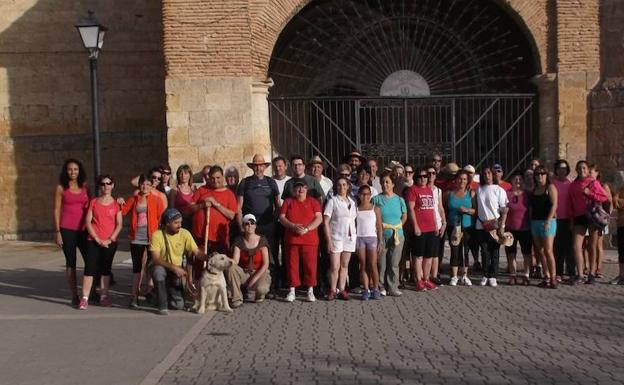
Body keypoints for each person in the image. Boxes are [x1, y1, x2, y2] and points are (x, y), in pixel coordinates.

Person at [236, 154, 281, 291]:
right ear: (252, 167)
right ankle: (249, 284)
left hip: (268, 225)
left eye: (261, 165)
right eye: (256, 165)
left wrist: (274, 220)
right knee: (250, 254)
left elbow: (278, 204)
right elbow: (238, 207)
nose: (258, 168)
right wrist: (241, 226)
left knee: (271, 255)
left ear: (265, 167)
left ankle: (273, 286)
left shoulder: (271, 182)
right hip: (250, 226)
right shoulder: (245, 182)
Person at [150, 208, 206, 315]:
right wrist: (174, 268)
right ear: (167, 223)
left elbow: (197, 252)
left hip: (176, 272)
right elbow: (155, 259)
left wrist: (209, 257)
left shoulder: (185, 233)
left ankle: (165, 293)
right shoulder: (157, 235)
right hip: (163, 266)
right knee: (158, 272)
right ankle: (162, 305)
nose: (179, 225)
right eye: (176, 223)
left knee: (178, 305)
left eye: (180, 222)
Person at [121, 174, 166, 308]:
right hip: (137, 238)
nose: (144, 186)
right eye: (142, 184)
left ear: (151, 186)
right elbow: (123, 211)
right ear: (139, 185)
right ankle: (134, 296)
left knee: (153, 266)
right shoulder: (135, 198)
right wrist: (119, 200)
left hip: (152, 237)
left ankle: (152, 293)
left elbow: (161, 218)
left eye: (147, 184)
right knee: (137, 269)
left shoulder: (157, 200)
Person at [79, 174, 123, 309]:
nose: (106, 186)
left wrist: (110, 239)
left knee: (106, 270)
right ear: (99, 186)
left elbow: (119, 224)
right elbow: (88, 221)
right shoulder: (93, 202)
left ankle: (104, 296)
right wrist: (97, 239)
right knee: (89, 269)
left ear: (113, 185)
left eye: (108, 183)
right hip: (93, 240)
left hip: (110, 242)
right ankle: (84, 298)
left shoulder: (117, 204)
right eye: (103, 184)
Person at [279, 180, 323, 302]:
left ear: (307, 189)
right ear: (294, 190)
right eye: (298, 188)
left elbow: (319, 218)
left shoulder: (313, 202)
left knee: (310, 266)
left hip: (310, 239)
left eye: (303, 187)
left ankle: (310, 290)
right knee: (292, 265)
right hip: (292, 239)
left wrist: (308, 229)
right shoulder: (288, 201)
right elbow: (282, 217)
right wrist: (292, 226)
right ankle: (292, 290)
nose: (301, 190)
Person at [53, 159, 89, 306]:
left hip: (84, 229)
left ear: (79, 170)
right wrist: (57, 231)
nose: (73, 172)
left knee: (90, 260)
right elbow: (56, 209)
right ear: (65, 171)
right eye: (70, 169)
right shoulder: (61, 188)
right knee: (71, 262)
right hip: (67, 229)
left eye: (75, 169)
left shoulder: (85, 186)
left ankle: (89, 292)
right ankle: (74, 295)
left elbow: (91, 206)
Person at [570, 160, 608, 284]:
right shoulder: (573, 184)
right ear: (576, 170)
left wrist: (590, 194)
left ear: (587, 170)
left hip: (592, 215)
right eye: (579, 168)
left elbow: (604, 197)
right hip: (579, 216)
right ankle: (580, 274)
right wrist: (571, 219)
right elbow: (571, 202)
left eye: (584, 168)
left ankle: (591, 273)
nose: (582, 170)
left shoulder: (593, 182)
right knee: (576, 246)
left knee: (592, 245)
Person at [188, 166, 238, 255]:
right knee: (199, 264)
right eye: (213, 178)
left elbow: (231, 215)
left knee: (218, 264)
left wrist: (216, 204)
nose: (215, 181)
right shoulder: (202, 190)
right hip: (200, 236)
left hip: (218, 238)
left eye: (218, 178)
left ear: (223, 177)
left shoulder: (229, 194)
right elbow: (190, 209)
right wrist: (202, 205)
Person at [372, 173, 407, 296]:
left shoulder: (399, 200)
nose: (384, 184)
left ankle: (393, 286)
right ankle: (381, 286)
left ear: (393, 184)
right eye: (383, 182)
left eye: (387, 182)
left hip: (397, 235)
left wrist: (399, 226)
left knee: (394, 262)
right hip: (381, 235)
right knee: (381, 262)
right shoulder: (376, 199)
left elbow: (404, 215)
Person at [226, 214, 271, 308]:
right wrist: (225, 259)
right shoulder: (238, 240)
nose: (249, 225)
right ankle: (236, 298)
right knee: (231, 268)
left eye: (252, 223)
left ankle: (259, 293)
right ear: (243, 226)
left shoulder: (262, 240)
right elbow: (235, 260)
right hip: (245, 272)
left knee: (261, 289)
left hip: (259, 272)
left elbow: (265, 264)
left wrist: (253, 280)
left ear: (255, 226)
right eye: (247, 223)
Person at [323, 177, 357, 300]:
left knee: (344, 265)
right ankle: (332, 289)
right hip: (336, 237)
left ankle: (342, 289)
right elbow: (326, 222)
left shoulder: (352, 202)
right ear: (336, 187)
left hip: (350, 238)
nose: (341, 187)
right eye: (339, 185)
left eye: (344, 185)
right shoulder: (332, 201)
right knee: (334, 266)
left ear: (348, 186)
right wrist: (328, 240)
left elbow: (353, 220)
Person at [475, 165, 509, 287]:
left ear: (493, 174)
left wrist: (502, 226)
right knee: (484, 251)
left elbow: (504, 209)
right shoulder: (479, 189)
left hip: (494, 224)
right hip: (481, 225)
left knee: (494, 250)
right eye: (485, 173)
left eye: (489, 173)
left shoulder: (499, 190)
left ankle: (493, 275)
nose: (487, 175)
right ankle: (485, 274)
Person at [406, 167, 439, 291]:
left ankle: (426, 279)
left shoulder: (430, 190)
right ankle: (418, 280)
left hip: (431, 227)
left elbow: (432, 209)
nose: (423, 178)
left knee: (429, 256)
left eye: (425, 176)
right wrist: (415, 226)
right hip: (420, 228)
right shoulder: (412, 190)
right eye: (420, 176)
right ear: (416, 178)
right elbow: (410, 209)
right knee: (418, 256)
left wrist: (436, 225)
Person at [445, 170, 475, 286]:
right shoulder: (449, 194)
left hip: (466, 226)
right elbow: (442, 208)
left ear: (467, 181)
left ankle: (465, 275)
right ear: (455, 180)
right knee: (455, 250)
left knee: (465, 250)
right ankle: (454, 276)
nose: (462, 181)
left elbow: (475, 211)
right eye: (460, 178)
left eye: (464, 179)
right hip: (453, 226)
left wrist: (467, 210)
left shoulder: (471, 193)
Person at [530, 166, 558, 288]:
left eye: (542, 173)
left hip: (548, 222)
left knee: (548, 250)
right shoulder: (534, 190)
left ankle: (553, 277)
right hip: (535, 222)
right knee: (540, 251)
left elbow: (554, 205)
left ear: (546, 175)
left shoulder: (550, 188)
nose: (539, 176)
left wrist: (548, 221)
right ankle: (546, 276)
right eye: (537, 174)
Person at [504, 171, 532, 285]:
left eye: (520, 179)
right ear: (511, 181)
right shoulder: (507, 194)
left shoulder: (527, 194)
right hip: (510, 228)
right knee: (511, 253)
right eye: (515, 179)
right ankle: (513, 275)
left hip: (525, 228)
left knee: (526, 253)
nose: (518, 181)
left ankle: (526, 275)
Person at [356, 185, 383, 300]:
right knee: (363, 264)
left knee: (373, 265)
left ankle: (375, 288)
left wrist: (380, 242)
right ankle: (366, 289)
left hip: (372, 238)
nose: (365, 196)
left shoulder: (375, 208)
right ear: (359, 195)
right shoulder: (356, 209)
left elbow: (379, 227)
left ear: (370, 195)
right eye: (362, 194)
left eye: (367, 194)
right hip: (360, 238)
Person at [552, 159, 575, 280]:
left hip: (569, 219)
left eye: (564, 168)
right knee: (558, 247)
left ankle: (571, 273)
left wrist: (572, 220)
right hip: (556, 219)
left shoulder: (571, 183)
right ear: (556, 170)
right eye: (560, 168)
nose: (562, 170)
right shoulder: (552, 184)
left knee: (570, 247)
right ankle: (559, 273)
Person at [589, 164, 613, 279]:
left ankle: (598, 268)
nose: (589, 174)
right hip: (590, 216)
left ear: (597, 173)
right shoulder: (587, 185)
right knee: (588, 244)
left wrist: (607, 216)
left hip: (601, 218)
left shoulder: (603, 186)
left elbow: (609, 202)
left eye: (591, 171)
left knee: (598, 244)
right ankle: (588, 267)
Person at [427, 166, 446, 285]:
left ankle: (434, 275)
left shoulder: (438, 190)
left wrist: (444, 222)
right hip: (426, 224)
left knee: (436, 252)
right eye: (428, 173)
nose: (431, 175)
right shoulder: (422, 188)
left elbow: (440, 207)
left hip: (438, 224)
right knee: (427, 253)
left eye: (433, 173)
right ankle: (426, 276)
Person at [169, 164, 195, 230]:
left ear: (190, 175)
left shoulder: (194, 189)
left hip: (193, 219)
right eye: (181, 174)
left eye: (186, 173)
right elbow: (171, 208)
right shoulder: (175, 190)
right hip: (180, 222)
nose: (183, 176)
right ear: (178, 175)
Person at [611, 185, 624, 285]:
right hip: (621, 223)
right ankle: (621, 276)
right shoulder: (622, 188)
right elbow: (615, 202)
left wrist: (620, 202)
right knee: (622, 251)